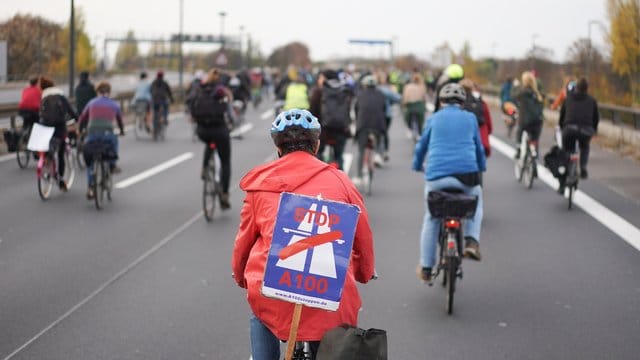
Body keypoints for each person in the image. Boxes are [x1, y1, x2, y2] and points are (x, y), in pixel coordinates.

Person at [231, 109, 375, 360]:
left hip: (275, 295)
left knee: (260, 305)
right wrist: (363, 272)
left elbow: (244, 242)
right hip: (329, 294)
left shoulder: (260, 185)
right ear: (317, 145)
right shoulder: (341, 182)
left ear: (278, 148)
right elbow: (362, 237)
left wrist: (241, 275)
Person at [412, 83, 486, 282]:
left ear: (441, 101)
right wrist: (481, 167)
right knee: (477, 199)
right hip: (466, 176)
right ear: (462, 102)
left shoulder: (433, 118)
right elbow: (478, 148)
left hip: (436, 177)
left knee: (432, 217)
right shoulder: (470, 119)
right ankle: (471, 241)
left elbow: (421, 146)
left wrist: (417, 165)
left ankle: (426, 267)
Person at [189, 71, 233, 210]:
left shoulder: (199, 89)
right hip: (219, 130)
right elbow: (229, 111)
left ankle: (204, 168)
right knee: (225, 161)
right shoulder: (221, 91)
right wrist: (231, 124)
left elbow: (190, 103)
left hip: (202, 131)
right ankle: (225, 193)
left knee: (209, 143)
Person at [77, 81, 124, 199]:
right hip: (108, 134)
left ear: (97, 92)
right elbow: (119, 120)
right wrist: (122, 130)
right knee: (115, 141)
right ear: (109, 92)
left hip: (92, 133)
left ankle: (90, 188)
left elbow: (83, 117)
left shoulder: (91, 103)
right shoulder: (114, 104)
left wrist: (80, 129)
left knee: (91, 163)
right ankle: (112, 165)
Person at [557, 78, 599, 192]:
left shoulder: (568, 98)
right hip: (586, 130)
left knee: (566, 151)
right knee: (585, 146)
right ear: (587, 88)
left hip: (569, 129)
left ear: (576, 87)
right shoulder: (592, 100)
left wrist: (561, 127)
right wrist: (594, 130)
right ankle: (583, 167)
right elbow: (596, 118)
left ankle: (562, 177)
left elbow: (562, 115)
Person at [39, 76, 78, 191]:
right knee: (61, 153)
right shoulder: (60, 95)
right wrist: (77, 118)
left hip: (45, 126)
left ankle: (47, 160)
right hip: (59, 127)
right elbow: (70, 110)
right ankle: (60, 180)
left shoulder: (43, 96)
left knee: (47, 147)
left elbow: (40, 112)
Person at [311, 69, 353, 170]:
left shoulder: (318, 91)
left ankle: (319, 176)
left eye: (321, 77)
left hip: (323, 131)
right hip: (341, 130)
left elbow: (312, 112)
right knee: (339, 156)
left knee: (318, 155)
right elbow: (347, 111)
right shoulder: (344, 90)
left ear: (325, 79)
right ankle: (341, 179)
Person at [353, 75, 387, 184]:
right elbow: (384, 109)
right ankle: (377, 154)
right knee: (379, 139)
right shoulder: (381, 95)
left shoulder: (360, 95)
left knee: (361, 151)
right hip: (377, 125)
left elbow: (356, 110)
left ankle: (358, 176)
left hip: (363, 125)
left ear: (365, 85)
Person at [512, 71, 545, 160]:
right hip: (538, 122)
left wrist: (515, 86)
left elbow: (514, 96)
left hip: (525, 122)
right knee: (534, 140)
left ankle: (518, 149)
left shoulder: (522, 92)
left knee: (519, 131)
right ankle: (534, 155)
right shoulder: (538, 94)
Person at [459, 79, 493, 157]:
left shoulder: (459, 104)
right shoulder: (481, 103)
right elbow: (488, 123)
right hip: (481, 140)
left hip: (464, 142)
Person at [401, 73, 427, 140]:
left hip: (410, 106)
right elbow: (424, 97)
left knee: (407, 117)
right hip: (419, 105)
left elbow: (405, 97)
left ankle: (409, 129)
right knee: (421, 119)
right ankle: (419, 133)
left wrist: (404, 104)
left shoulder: (408, 87)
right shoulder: (422, 86)